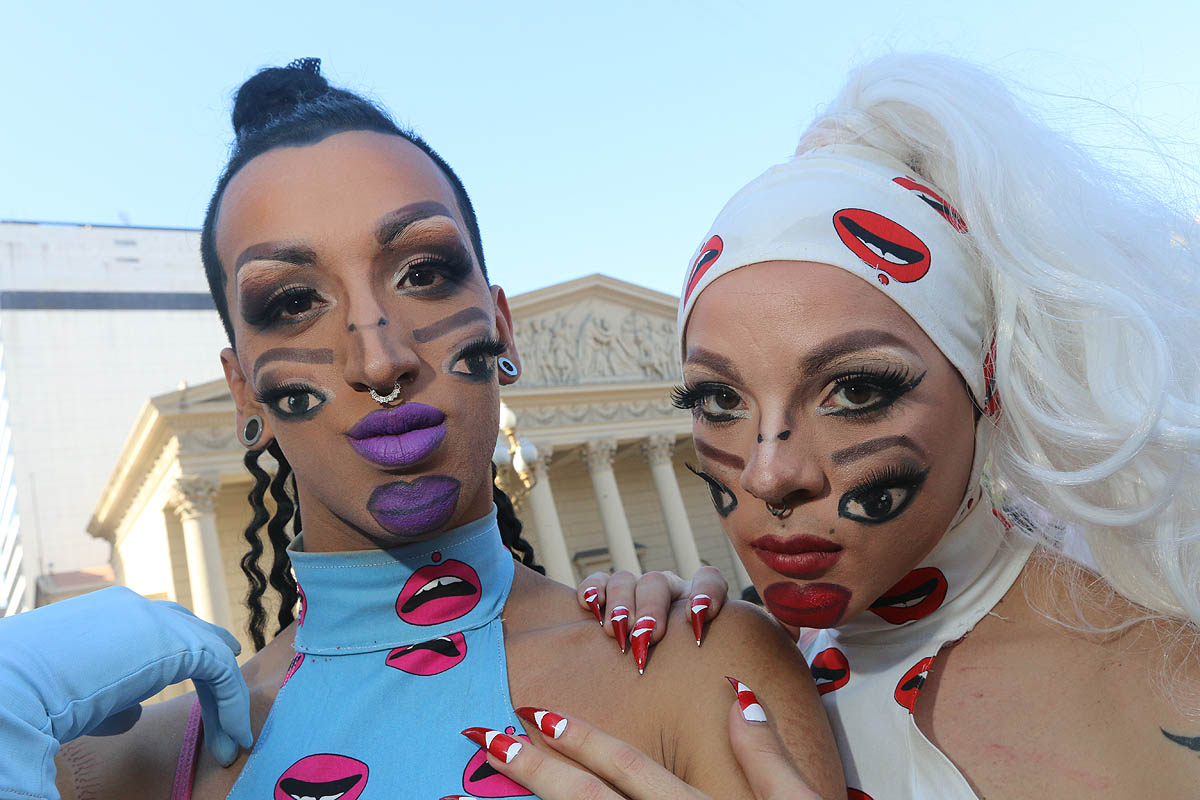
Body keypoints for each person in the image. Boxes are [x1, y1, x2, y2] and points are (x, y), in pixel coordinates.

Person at [0, 60, 845, 800]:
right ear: (242, 391)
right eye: (293, 302)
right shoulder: (123, 770)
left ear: (502, 329)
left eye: (425, 273)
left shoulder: (703, 664)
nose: (380, 357)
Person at [576, 52, 1200, 798]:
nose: (769, 474)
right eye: (719, 400)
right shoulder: (713, 671)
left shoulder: (1169, 672)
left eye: (856, 388)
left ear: (988, 380)